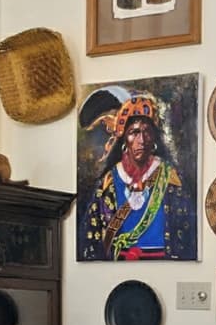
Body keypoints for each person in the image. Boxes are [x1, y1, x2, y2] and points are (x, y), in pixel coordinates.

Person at [80, 92, 195, 261]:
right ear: (124, 138)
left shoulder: (171, 178)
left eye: (147, 131)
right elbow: (91, 238)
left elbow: (187, 232)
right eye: (134, 132)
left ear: (154, 137)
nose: (141, 140)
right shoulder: (108, 182)